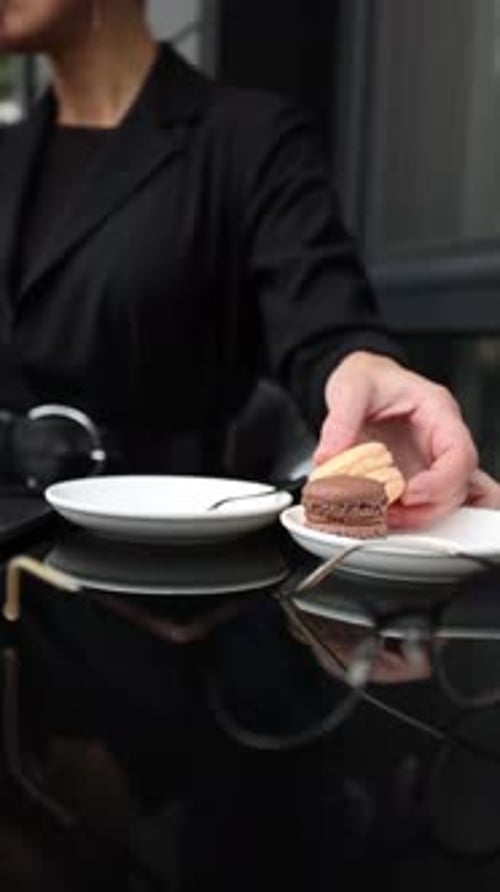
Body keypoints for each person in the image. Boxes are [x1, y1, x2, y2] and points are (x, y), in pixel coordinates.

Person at [0, 0, 479, 528]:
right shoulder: (10, 153)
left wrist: (368, 372)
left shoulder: (248, 139)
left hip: (169, 546)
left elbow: (320, 318)